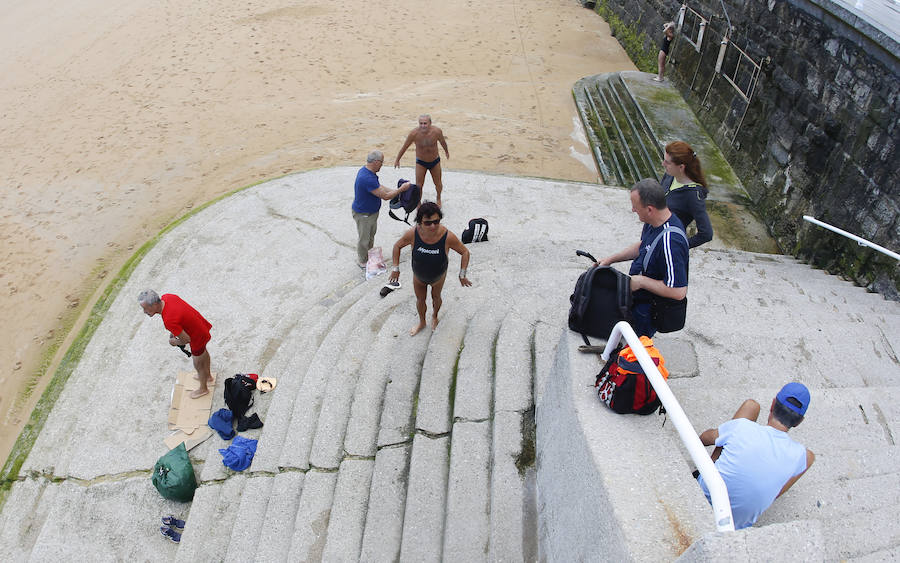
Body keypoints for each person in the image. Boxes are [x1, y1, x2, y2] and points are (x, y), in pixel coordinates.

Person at [697, 382, 816, 530]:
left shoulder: (742, 427)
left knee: (750, 407)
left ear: (773, 404)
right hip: (736, 525)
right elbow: (776, 494)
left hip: (704, 494)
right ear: (799, 422)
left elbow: (704, 439)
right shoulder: (802, 456)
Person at [596, 178, 689, 337]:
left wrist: (641, 282)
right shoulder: (654, 222)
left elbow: (678, 291)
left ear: (650, 209)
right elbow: (643, 246)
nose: (633, 210)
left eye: (635, 206)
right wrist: (610, 259)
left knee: (633, 345)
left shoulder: (671, 242)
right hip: (637, 300)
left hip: (648, 311)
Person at [388, 201, 472, 336]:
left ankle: (434, 316)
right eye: (427, 223)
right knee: (420, 300)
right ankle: (422, 322)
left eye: (436, 222)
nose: (433, 226)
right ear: (420, 222)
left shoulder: (447, 236)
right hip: (419, 276)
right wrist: (395, 269)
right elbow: (397, 246)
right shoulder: (412, 234)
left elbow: (465, 252)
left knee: (436, 297)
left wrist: (462, 275)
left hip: (438, 276)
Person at [139, 290, 214, 399]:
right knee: (203, 353)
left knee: (199, 364)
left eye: (145, 308)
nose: (144, 311)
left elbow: (186, 340)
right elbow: (180, 317)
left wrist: (173, 342)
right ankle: (208, 376)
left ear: (154, 304)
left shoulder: (168, 320)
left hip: (197, 337)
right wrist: (175, 331)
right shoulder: (168, 297)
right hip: (200, 327)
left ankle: (203, 389)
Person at [352, 150, 412, 269]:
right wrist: (401, 190)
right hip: (364, 214)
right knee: (364, 239)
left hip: (371, 213)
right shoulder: (367, 178)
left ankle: (368, 256)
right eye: (381, 162)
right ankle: (362, 261)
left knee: (370, 235)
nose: (382, 165)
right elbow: (385, 196)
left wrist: (395, 192)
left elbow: (379, 187)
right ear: (376, 162)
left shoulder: (367, 171)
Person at [661, 140, 713, 248]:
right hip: (652, 236)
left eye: (667, 162)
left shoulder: (694, 195)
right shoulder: (670, 175)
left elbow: (706, 234)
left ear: (681, 167)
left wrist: (680, 246)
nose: (663, 164)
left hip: (668, 246)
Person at [394, 114, 450, 207]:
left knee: (438, 183)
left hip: (435, 161)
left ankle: (438, 198)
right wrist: (398, 159)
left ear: (430, 123)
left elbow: (443, 142)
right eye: (421, 123)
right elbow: (405, 146)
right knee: (419, 186)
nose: (423, 126)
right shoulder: (414, 134)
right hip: (421, 162)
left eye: (425, 123)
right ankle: (418, 202)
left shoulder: (437, 132)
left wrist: (446, 151)